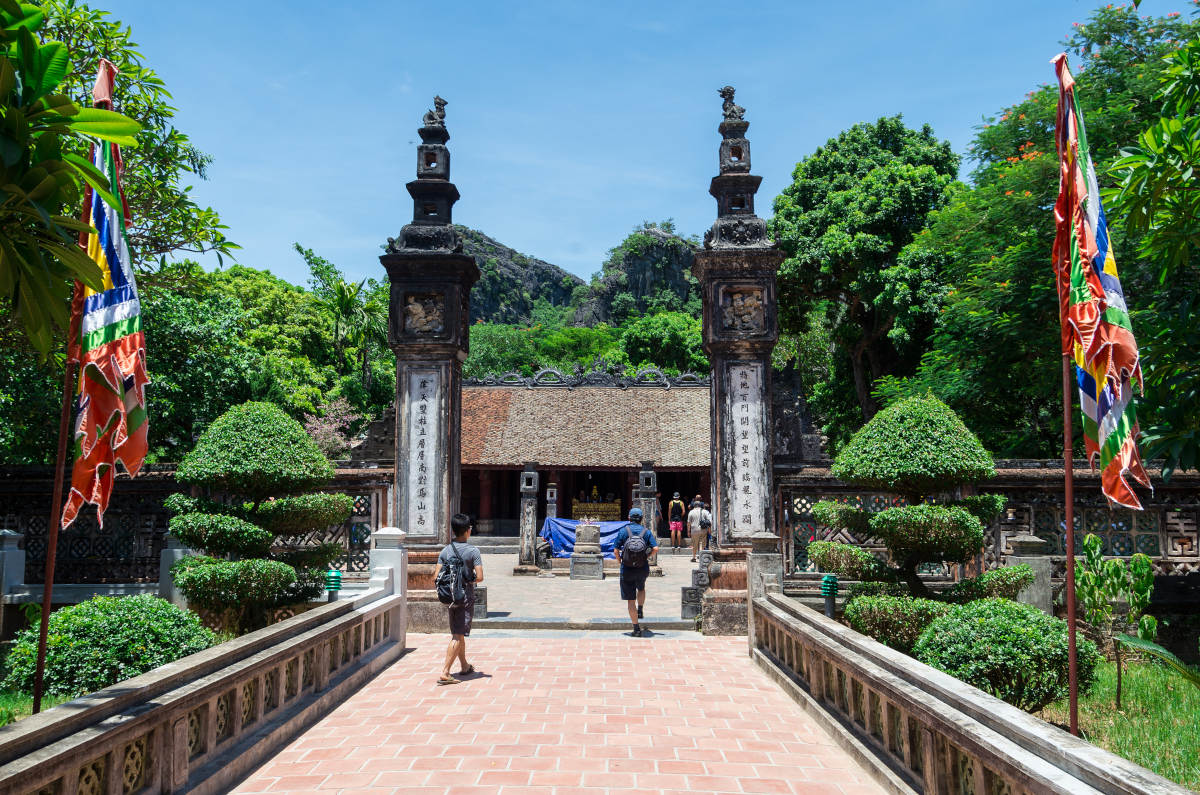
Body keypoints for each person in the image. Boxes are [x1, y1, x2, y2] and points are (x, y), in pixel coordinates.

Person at [434, 513, 484, 685]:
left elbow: (435, 575)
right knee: (457, 635)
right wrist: (467, 578)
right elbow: (480, 577)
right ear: (468, 531)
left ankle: (464, 666)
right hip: (465, 598)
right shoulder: (473, 551)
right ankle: (445, 672)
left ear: (453, 531)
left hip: (449, 597)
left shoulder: (445, 550)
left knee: (458, 632)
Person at [614, 506, 658, 636]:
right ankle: (641, 608)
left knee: (630, 600)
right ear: (641, 519)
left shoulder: (623, 531)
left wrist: (620, 561)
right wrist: (646, 556)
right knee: (641, 588)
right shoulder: (646, 532)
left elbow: (616, 550)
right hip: (642, 567)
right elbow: (655, 548)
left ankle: (636, 629)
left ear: (629, 518)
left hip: (627, 568)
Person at [686, 495, 707, 562]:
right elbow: (709, 520)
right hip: (703, 529)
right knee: (702, 543)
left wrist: (688, 531)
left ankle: (694, 557)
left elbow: (688, 523)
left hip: (694, 530)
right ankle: (701, 557)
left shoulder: (691, 512)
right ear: (700, 505)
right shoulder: (704, 511)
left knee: (695, 544)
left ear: (694, 505)